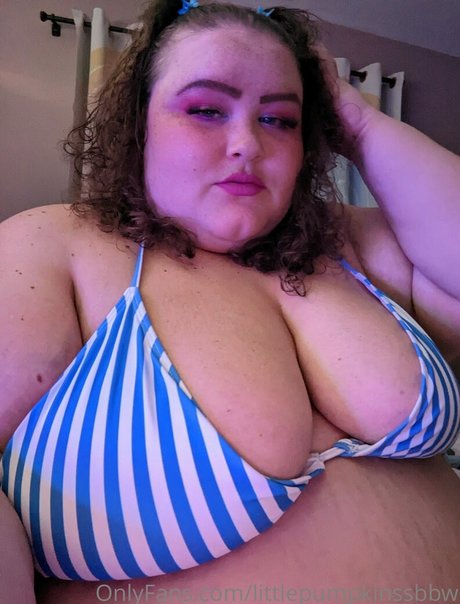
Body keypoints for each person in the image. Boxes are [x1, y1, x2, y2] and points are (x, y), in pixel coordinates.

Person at [1, 0, 460, 602]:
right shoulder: (55, 243)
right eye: (206, 110)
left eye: (280, 119)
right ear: (140, 124)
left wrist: (356, 119)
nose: (247, 143)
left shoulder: (350, 242)